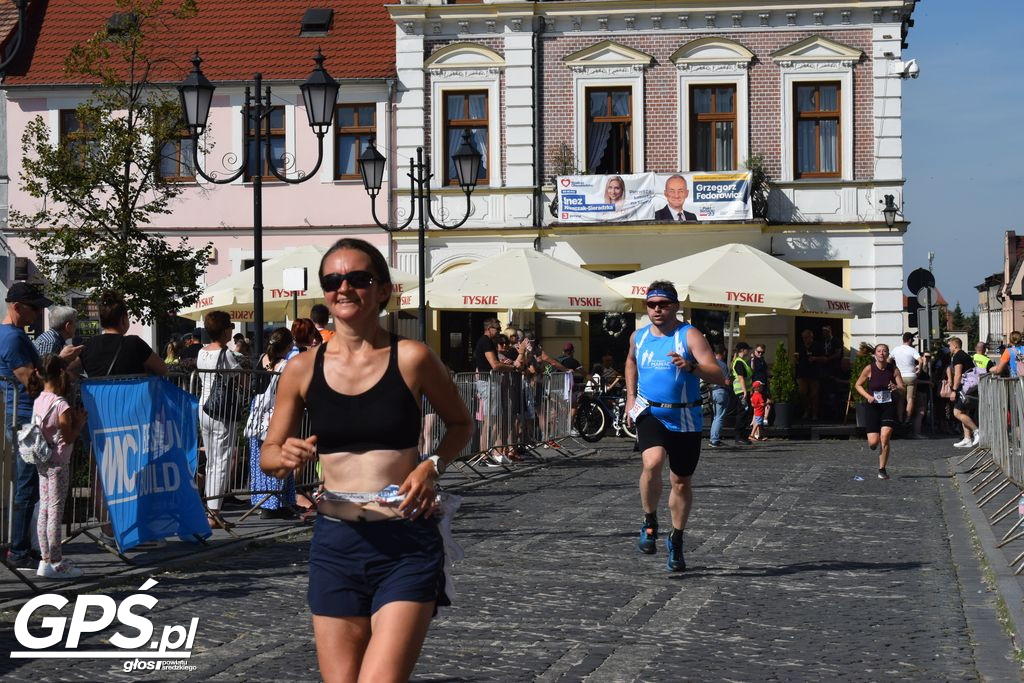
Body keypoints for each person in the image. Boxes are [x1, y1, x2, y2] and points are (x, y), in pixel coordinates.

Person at [260, 237, 472, 682]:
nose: (344, 288)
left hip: (406, 543)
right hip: (335, 544)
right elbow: (269, 455)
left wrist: (431, 465)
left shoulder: (412, 358)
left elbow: (460, 424)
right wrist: (285, 456)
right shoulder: (301, 369)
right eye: (333, 280)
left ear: (383, 291)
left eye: (358, 278)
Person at [625, 280, 725, 571]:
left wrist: (692, 367)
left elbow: (719, 375)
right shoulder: (638, 337)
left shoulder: (689, 335)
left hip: (685, 417)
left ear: (675, 306)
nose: (657, 310)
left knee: (681, 481)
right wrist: (631, 397)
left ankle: (677, 539)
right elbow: (630, 362)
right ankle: (649, 521)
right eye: (652, 304)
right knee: (652, 462)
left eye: (664, 304)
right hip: (651, 413)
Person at [2, 283, 60, 569]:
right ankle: (19, 549)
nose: (38, 313)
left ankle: (23, 546)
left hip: (23, 418)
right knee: (28, 485)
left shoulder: (11, 335)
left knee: (31, 484)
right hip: (25, 420)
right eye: (34, 307)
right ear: (17, 306)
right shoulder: (12, 338)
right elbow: (31, 383)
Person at [31, 353, 88, 579]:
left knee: (44, 510)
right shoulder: (60, 405)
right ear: (61, 373)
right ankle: (55, 561)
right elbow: (69, 436)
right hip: (58, 462)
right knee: (55, 511)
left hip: (42, 460)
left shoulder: (39, 399)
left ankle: (45, 559)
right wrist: (80, 423)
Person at [197, 311, 246, 528]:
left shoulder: (202, 351)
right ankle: (214, 512)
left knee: (212, 460)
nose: (232, 330)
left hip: (204, 405)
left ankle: (210, 507)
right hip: (221, 409)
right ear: (224, 330)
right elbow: (240, 379)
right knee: (222, 459)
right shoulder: (225, 354)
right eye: (230, 327)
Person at [247, 328, 297, 519]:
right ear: (286, 346)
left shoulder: (261, 359)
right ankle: (277, 502)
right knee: (280, 455)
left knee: (260, 458)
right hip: (276, 414)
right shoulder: (286, 365)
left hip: (258, 414)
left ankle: (265, 503)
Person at [854, 343, 904, 480]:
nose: (882, 353)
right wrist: (868, 396)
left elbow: (902, 387)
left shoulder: (893, 369)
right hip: (873, 406)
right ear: (875, 354)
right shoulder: (869, 369)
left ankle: (882, 469)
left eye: (884, 351)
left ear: (888, 354)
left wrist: (896, 387)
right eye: (879, 351)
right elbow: (857, 385)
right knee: (873, 442)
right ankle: (873, 444)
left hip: (888, 406)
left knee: (885, 437)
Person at [948, 337, 979, 448]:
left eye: (950, 346)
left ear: (955, 345)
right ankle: (967, 438)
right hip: (970, 388)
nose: (949, 348)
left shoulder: (958, 356)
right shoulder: (964, 355)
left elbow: (958, 374)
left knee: (957, 412)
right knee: (964, 412)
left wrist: (954, 391)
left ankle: (977, 431)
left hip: (964, 389)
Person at [890, 332, 924, 435]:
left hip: (899, 376)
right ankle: (907, 419)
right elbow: (920, 361)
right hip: (911, 376)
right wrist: (919, 370)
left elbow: (888, 360)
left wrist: (891, 371)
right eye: (912, 340)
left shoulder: (896, 349)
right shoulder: (912, 350)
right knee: (910, 399)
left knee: (900, 399)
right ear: (909, 340)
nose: (912, 342)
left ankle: (900, 420)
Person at [795, 329, 825, 420]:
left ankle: (814, 414)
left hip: (814, 373)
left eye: (806, 337)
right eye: (803, 337)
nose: (805, 339)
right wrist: (796, 359)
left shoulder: (818, 346)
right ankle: (806, 411)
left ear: (811, 337)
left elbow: (825, 358)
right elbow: (797, 358)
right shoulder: (801, 346)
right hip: (802, 373)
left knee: (814, 394)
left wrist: (815, 358)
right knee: (802, 392)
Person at [708, 346, 731, 448]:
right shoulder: (722, 365)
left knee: (715, 417)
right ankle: (714, 440)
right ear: (724, 353)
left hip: (712, 392)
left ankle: (713, 438)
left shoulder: (710, 364)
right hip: (721, 391)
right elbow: (726, 382)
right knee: (719, 417)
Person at [731, 342, 753, 445]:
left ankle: (742, 435)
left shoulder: (742, 361)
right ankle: (739, 436)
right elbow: (740, 377)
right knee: (742, 413)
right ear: (743, 350)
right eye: (747, 349)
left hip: (744, 391)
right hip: (741, 392)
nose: (748, 351)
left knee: (745, 412)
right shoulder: (739, 362)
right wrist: (744, 391)